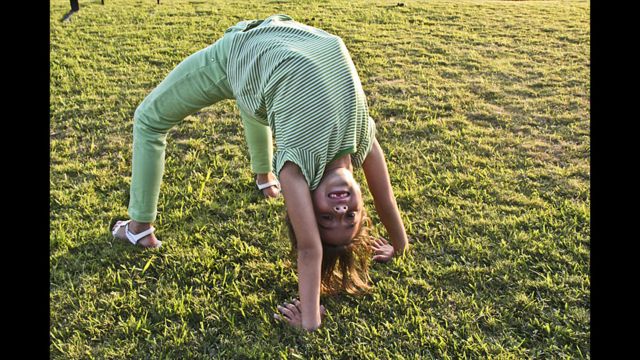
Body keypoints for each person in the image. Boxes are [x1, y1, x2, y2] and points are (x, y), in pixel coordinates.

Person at [111, 14, 409, 331]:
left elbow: (309, 250)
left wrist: (310, 322)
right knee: (262, 96)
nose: (340, 209)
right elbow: (387, 200)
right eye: (350, 217)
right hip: (278, 39)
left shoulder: (296, 168)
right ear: (364, 209)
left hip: (239, 52)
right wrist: (399, 246)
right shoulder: (361, 139)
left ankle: (139, 228)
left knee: (148, 118)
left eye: (327, 218)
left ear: (308, 207)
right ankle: (264, 177)